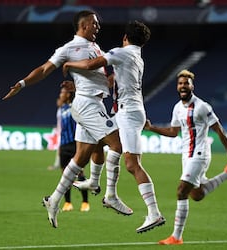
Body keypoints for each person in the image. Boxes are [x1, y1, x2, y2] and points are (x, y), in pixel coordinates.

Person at [2, 10, 133, 229]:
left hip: (94, 102)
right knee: (117, 144)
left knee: (82, 157)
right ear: (83, 26)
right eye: (95, 23)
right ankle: (110, 195)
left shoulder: (95, 47)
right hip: (87, 105)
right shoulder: (69, 49)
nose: (98, 27)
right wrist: (22, 84)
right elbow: (45, 69)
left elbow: (98, 78)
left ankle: (53, 200)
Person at [62, 20, 165, 233]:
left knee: (132, 164)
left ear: (125, 38)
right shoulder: (135, 56)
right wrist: (78, 86)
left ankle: (153, 213)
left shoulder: (122, 53)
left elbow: (92, 64)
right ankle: (104, 190)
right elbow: (112, 81)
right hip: (126, 112)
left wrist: (70, 65)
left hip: (128, 113)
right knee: (98, 136)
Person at [144, 69, 227, 245]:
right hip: (186, 155)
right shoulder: (177, 108)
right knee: (196, 195)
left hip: (200, 154)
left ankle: (176, 236)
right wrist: (151, 128)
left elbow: (219, 130)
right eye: (180, 83)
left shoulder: (202, 107)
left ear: (192, 86)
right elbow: (172, 132)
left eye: (186, 83)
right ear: (177, 86)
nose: (183, 86)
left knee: (181, 190)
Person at [48, 84, 90, 212]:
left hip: (75, 144)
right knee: (65, 175)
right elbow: (60, 129)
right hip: (64, 145)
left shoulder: (75, 106)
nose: (60, 94)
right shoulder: (60, 110)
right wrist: (59, 148)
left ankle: (85, 202)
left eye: (63, 92)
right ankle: (68, 203)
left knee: (79, 173)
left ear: (68, 94)